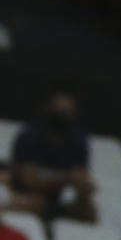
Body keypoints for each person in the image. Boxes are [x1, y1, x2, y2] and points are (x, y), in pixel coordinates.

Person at [10, 89, 96, 222]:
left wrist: (84, 190)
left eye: (66, 113)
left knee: (89, 212)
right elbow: (28, 179)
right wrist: (68, 178)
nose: (62, 119)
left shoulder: (78, 143)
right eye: (58, 112)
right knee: (35, 202)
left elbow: (80, 177)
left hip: (55, 201)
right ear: (47, 109)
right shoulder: (29, 137)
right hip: (25, 196)